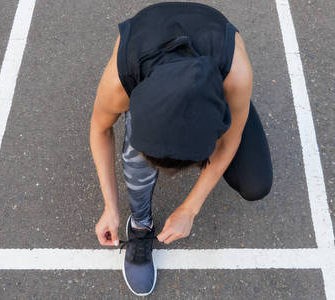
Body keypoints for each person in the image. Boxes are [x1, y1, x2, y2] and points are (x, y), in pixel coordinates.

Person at [89, 1, 273, 296]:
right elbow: (100, 129)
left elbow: (229, 139)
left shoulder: (236, 73)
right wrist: (110, 206)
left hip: (219, 78)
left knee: (255, 184)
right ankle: (140, 226)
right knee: (135, 158)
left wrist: (190, 208)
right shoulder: (120, 80)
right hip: (148, 69)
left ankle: (219, 103)